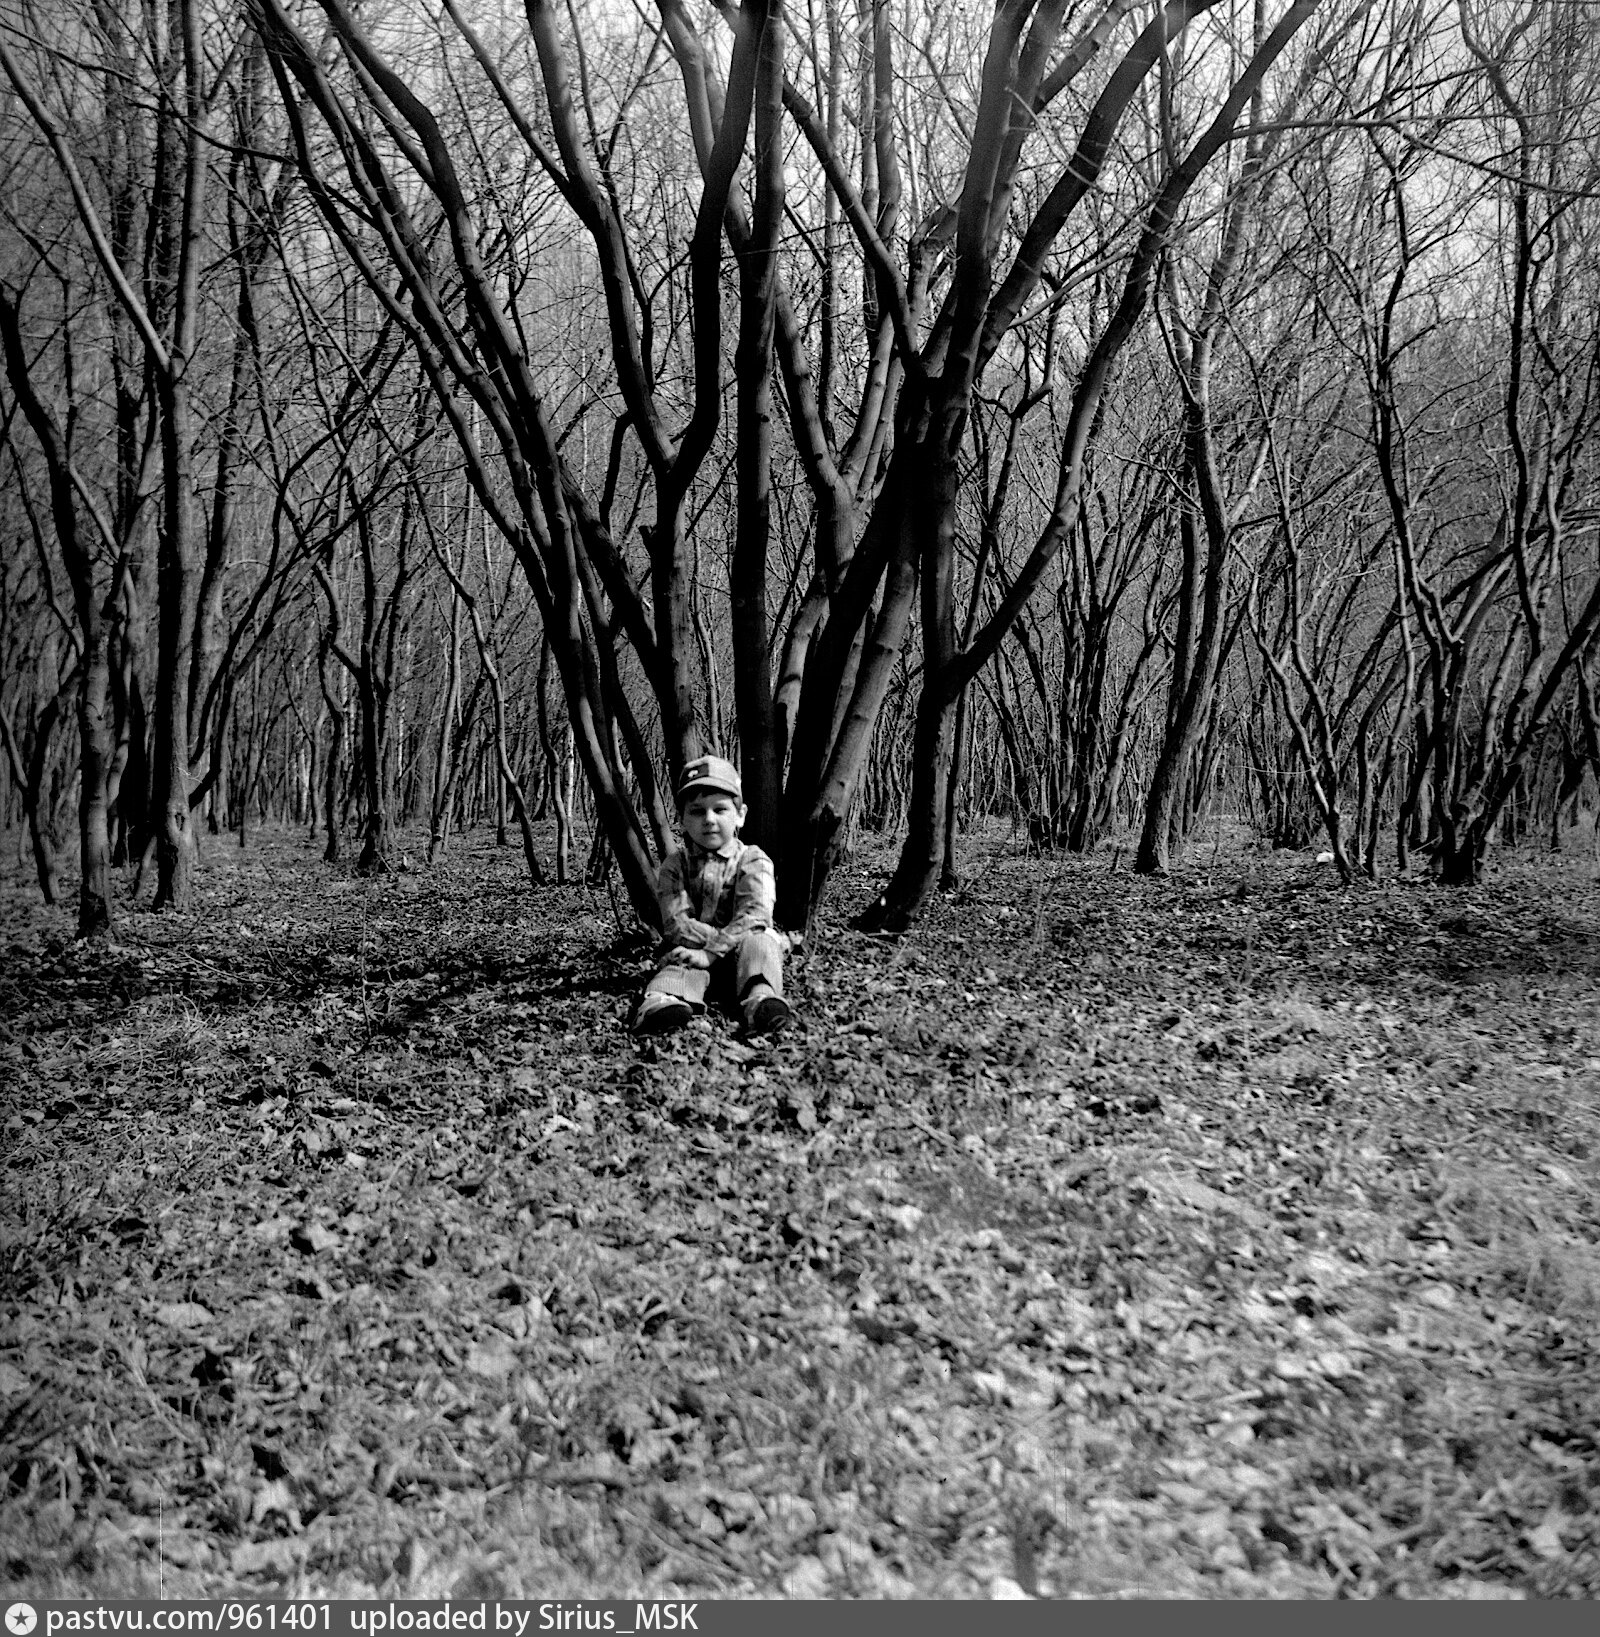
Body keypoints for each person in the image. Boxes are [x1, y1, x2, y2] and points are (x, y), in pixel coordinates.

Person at [632, 755, 795, 1037]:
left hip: (743, 955)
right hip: (694, 954)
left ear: (740, 815)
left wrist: (712, 952)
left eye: (720, 809)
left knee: (761, 940)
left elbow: (755, 915)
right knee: (678, 956)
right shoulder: (675, 865)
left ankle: (761, 1001)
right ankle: (663, 1002)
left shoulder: (753, 859)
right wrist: (705, 953)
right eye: (697, 812)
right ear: (682, 819)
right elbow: (677, 923)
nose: (709, 820)